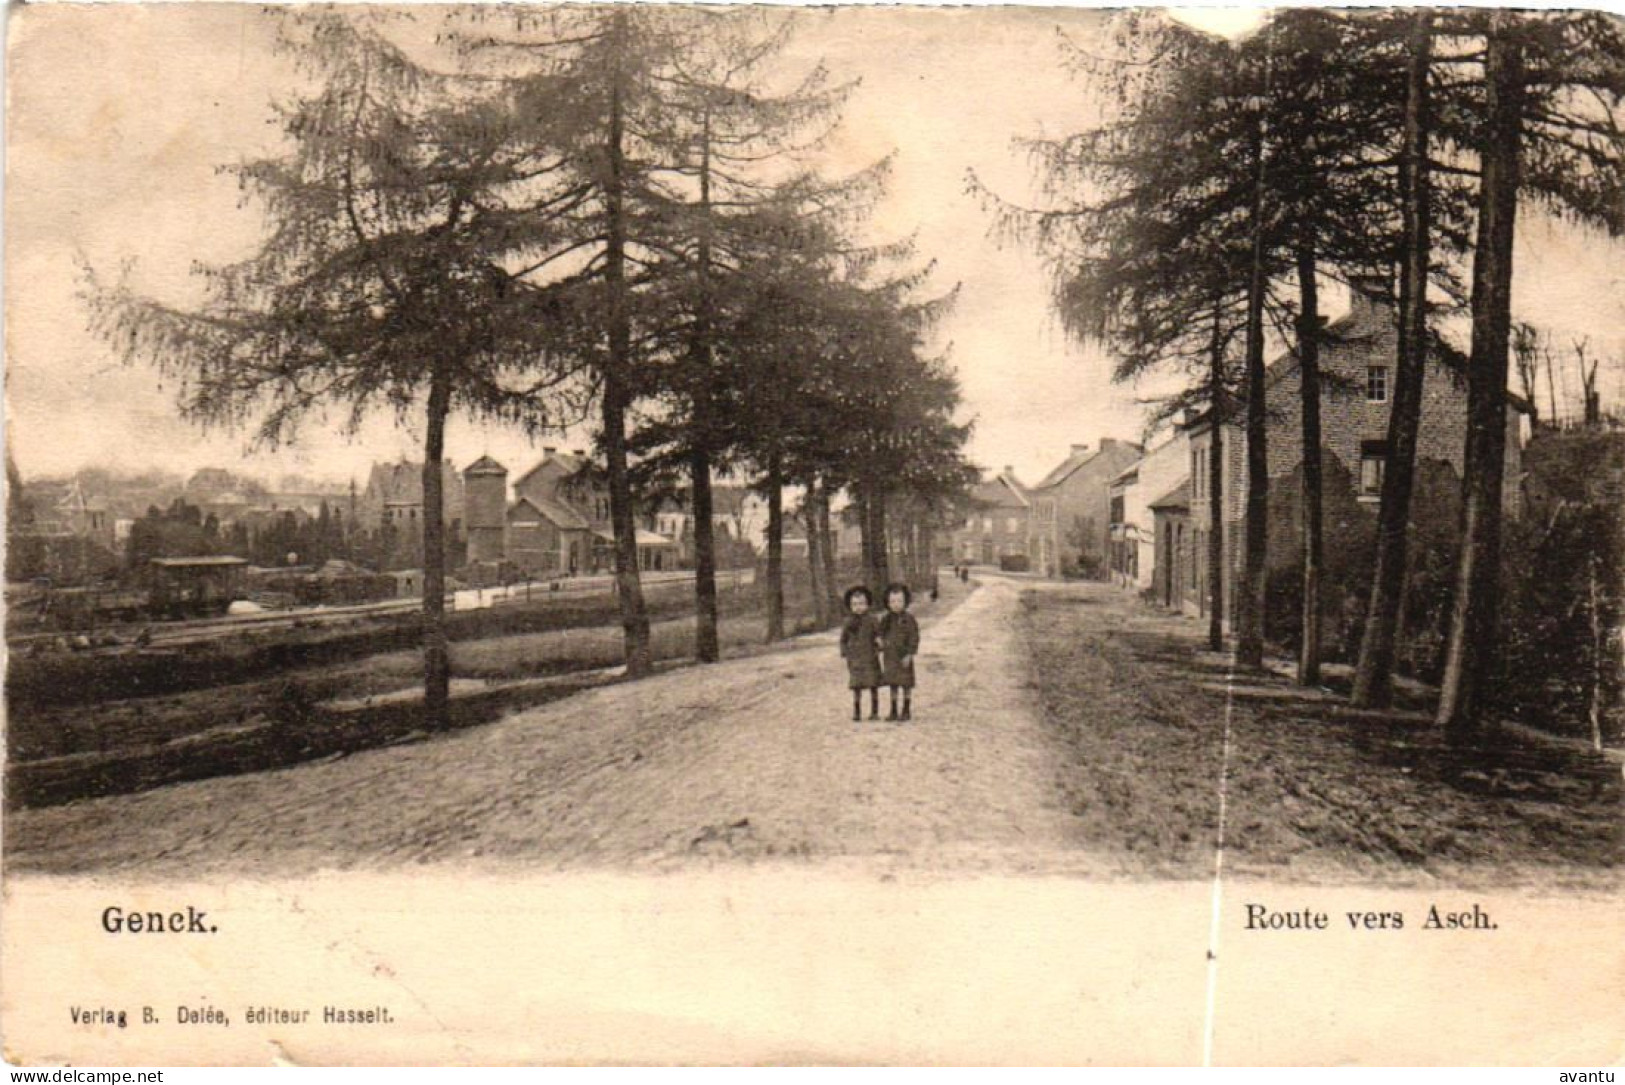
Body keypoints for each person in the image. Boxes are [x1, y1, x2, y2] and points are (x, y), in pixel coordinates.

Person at [879, 582, 921, 722]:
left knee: (906, 684)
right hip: (891, 657)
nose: (896, 604)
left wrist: (910, 654)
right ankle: (893, 710)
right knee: (893, 684)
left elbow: (914, 637)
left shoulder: (909, 619)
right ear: (887, 602)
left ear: (905, 602)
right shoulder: (886, 619)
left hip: (904, 657)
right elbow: (881, 634)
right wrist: (881, 643)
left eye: (899, 601)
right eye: (892, 601)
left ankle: (906, 709)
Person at [840, 585, 883, 722]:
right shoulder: (848, 622)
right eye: (855, 604)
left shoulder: (872, 620)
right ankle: (857, 711)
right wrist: (845, 652)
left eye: (861, 604)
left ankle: (874, 711)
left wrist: (879, 645)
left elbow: (879, 635)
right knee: (856, 685)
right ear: (850, 606)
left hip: (870, 656)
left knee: (873, 683)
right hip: (855, 658)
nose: (858, 607)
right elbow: (843, 639)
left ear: (868, 604)